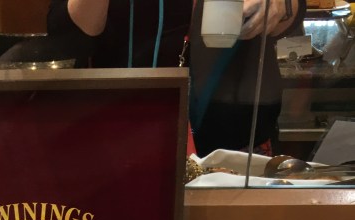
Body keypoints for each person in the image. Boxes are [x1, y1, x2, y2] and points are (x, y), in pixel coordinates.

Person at [47, 0, 306, 155]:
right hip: (121, 134)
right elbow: (70, 38)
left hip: (233, 138)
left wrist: (281, 5)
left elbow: (291, 11)